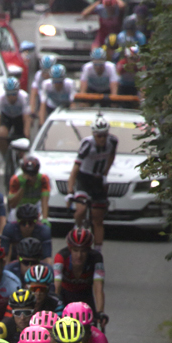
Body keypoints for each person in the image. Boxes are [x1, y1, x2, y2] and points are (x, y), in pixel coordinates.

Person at [66, 116, 117, 249]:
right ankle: (77, 226)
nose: (102, 139)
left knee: (97, 219)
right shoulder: (87, 144)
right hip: (84, 179)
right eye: (99, 136)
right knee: (81, 209)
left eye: (104, 135)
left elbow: (112, 156)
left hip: (98, 180)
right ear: (94, 134)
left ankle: (98, 252)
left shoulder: (113, 141)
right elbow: (75, 168)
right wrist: (70, 190)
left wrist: (105, 173)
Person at [54, 227, 106, 317]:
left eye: (83, 251)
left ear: (89, 250)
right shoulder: (61, 257)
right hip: (64, 295)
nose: (79, 255)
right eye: (75, 250)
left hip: (85, 296)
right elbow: (56, 287)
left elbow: (98, 288)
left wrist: (100, 312)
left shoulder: (96, 258)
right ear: (70, 249)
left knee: (92, 325)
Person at [0, 77, 31, 159]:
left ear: (18, 92)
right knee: (1, 134)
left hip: (19, 117)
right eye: (9, 94)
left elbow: (26, 119)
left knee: (23, 139)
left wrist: (26, 134)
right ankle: (5, 158)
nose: (11, 97)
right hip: (7, 117)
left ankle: (20, 158)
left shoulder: (23, 97)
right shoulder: (0, 98)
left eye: (14, 94)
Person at [7, 157, 51, 223]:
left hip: (35, 207)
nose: (30, 177)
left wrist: (45, 218)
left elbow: (44, 201)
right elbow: (12, 204)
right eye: (27, 173)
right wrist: (23, 186)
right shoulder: (16, 180)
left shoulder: (43, 179)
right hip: (18, 208)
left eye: (33, 174)